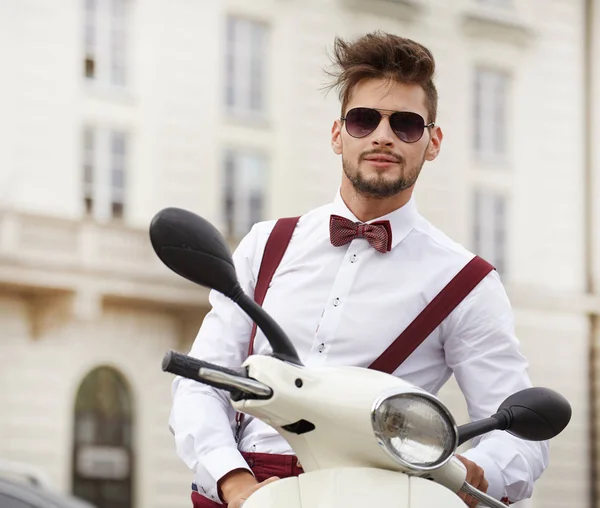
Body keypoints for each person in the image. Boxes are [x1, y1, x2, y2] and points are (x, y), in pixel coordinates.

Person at [169, 31, 548, 508]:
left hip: (378, 494)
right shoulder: (266, 246)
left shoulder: (467, 282)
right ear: (337, 133)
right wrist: (234, 484)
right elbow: (202, 384)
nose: (383, 136)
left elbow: (520, 434)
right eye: (364, 119)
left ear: (433, 142)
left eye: (406, 124)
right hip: (244, 491)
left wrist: (466, 474)